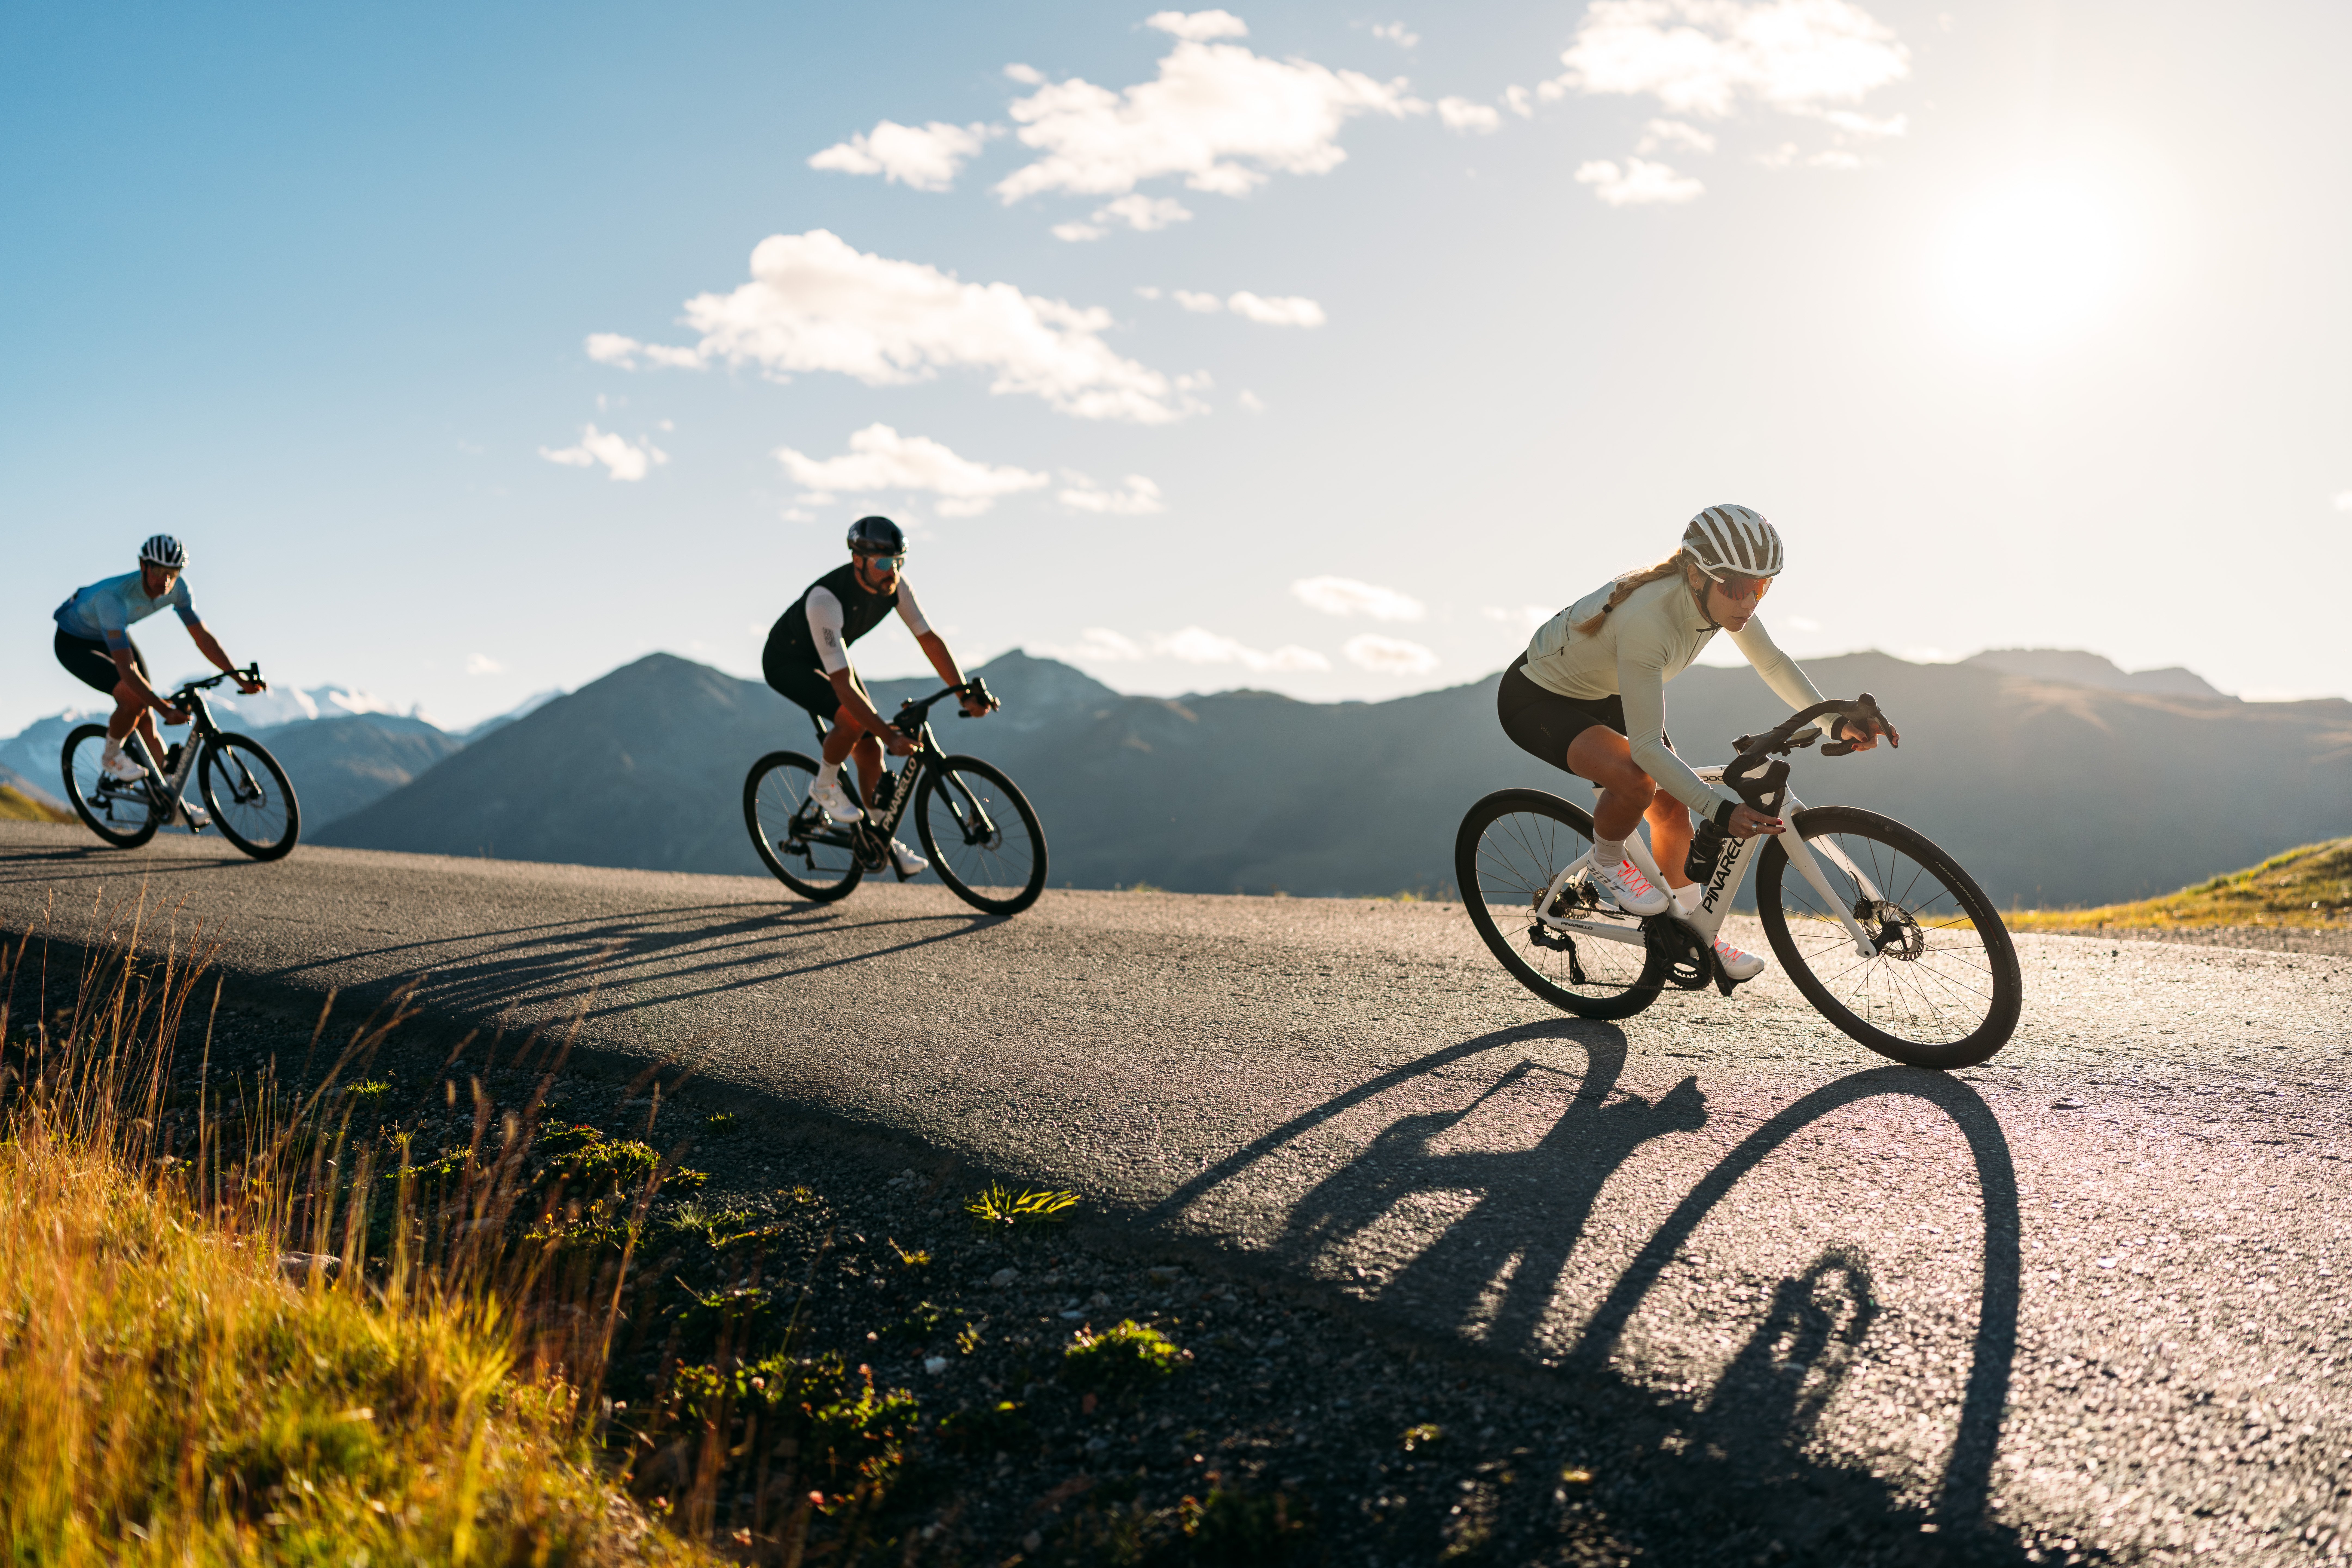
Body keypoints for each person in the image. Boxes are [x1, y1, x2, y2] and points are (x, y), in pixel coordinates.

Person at [1497, 505, 1897, 980]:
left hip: (1611, 692)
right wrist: (1721, 810)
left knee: (1668, 808)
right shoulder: (1650, 618)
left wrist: (1834, 722)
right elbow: (1647, 748)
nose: (1749, 601)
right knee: (1637, 780)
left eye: (1762, 587)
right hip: (1540, 699)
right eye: (1736, 587)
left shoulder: (1719, 603)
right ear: (1696, 577)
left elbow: (1771, 663)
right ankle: (1608, 861)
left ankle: (1696, 931)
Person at [761, 516, 997, 877]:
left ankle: (880, 840)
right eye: (885, 563)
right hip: (788, 663)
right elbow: (842, 686)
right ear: (859, 560)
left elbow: (929, 641)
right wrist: (890, 735)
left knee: (869, 749)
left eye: (899, 561)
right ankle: (824, 786)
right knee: (855, 721)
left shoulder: (897, 588)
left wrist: (964, 694)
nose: (894, 571)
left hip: (832, 657)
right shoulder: (825, 601)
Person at [53, 534, 266, 829]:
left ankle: (170, 801)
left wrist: (236, 677)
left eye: (172, 574)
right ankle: (112, 756)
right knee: (135, 698)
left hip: (111, 634)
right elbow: (127, 672)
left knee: (148, 719)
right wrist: (167, 709)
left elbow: (202, 637)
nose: (164, 582)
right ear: (143, 566)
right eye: (157, 572)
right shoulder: (111, 599)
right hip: (75, 643)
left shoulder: (179, 589)